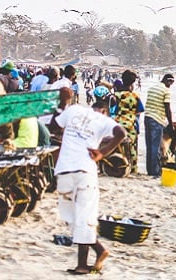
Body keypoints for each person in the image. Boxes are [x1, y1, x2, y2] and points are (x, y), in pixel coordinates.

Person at [52, 88, 127, 275]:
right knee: (83, 217)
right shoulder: (104, 120)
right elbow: (122, 133)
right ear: (103, 110)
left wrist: (63, 103)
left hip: (64, 170)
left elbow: (54, 126)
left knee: (73, 218)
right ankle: (94, 253)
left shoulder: (74, 110)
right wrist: (102, 152)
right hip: (85, 170)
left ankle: (88, 259)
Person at [113, 70, 144, 174]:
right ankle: (133, 169)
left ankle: (117, 166)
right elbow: (139, 111)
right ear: (132, 83)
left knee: (116, 146)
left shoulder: (116, 95)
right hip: (131, 124)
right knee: (132, 147)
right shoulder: (135, 96)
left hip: (117, 124)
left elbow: (113, 109)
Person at [143, 74, 174, 177]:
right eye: (170, 82)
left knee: (149, 145)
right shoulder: (166, 91)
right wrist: (170, 123)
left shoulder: (152, 88)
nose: (170, 84)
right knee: (155, 146)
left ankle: (149, 170)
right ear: (165, 80)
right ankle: (155, 171)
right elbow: (167, 108)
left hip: (147, 117)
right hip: (157, 119)